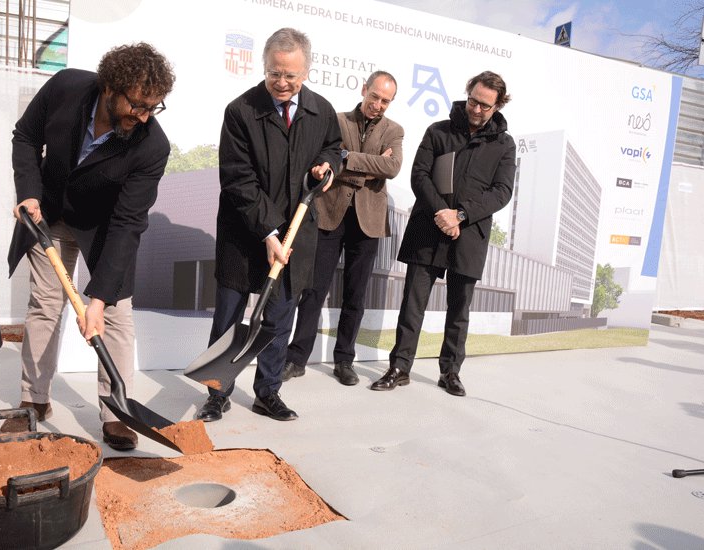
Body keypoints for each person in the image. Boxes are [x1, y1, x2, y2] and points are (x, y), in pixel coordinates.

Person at [2, 43, 175, 450]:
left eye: (154, 107)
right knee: (45, 304)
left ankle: (117, 413)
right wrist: (29, 193)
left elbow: (129, 221)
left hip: (105, 229)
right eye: (137, 105)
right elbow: (25, 137)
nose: (145, 115)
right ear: (110, 87)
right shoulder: (66, 88)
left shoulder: (151, 145)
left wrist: (97, 299)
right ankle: (33, 401)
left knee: (114, 316)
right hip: (50, 216)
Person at [195, 27, 341, 422]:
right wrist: (268, 232)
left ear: (306, 72)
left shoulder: (322, 111)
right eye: (274, 72)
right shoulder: (241, 111)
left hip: (296, 234)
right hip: (245, 233)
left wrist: (328, 166)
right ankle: (216, 393)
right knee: (228, 320)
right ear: (264, 67)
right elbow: (239, 180)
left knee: (278, 320)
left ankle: (267, 392)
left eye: (290, 75)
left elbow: (334, 148)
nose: (281, 82)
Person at [371, 70, 515, 397]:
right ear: (468, 93)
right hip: (428, 230)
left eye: (486, 106)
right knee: (412, 305)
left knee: (458, 311)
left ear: (498, 106)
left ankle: (450, 372)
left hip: (469, 236)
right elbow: (419, 175)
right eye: (474, 101)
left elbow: (502, 192)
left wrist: (460, 215)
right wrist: (442, 213)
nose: (477, 110)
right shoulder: (438, 131)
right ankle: (400, 368)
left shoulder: (504, 145)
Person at [283, 71, 404, 386]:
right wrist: (366, 164)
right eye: (374, 96)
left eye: (385, 101)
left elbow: (392, 167)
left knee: (355, 294)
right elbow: (329, 157)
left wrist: (348, 159)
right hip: (329, 214)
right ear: (365, 90)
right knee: (313, 290)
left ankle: (344, 362)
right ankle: (296, 359)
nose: (378, 105)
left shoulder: (395, 130)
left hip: (368, 222)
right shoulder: (335, 121)